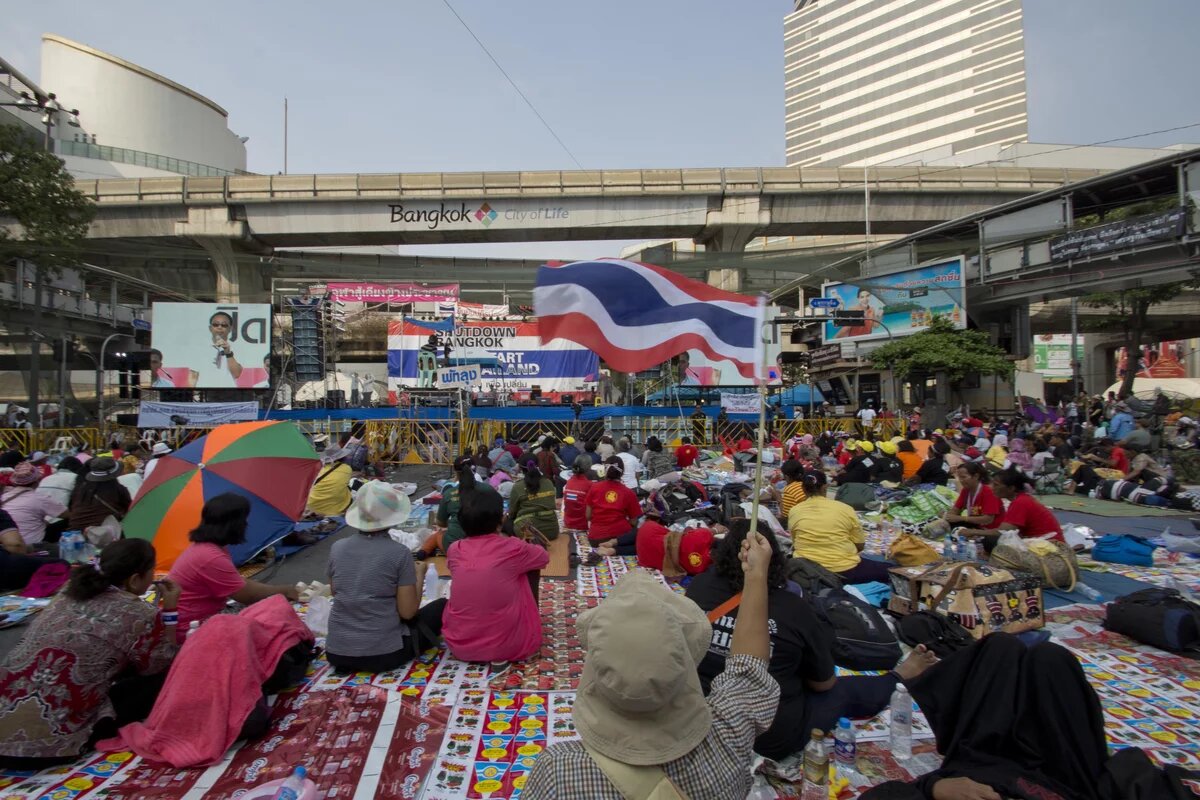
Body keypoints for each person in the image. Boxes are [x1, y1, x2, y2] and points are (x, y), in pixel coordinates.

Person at [523, 528, 780, 800]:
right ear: (685, 658)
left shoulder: (559, 772)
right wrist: (755, 576)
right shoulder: (728, 736)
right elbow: (749, 670)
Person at [687, 520, 937, 761]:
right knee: (842, 690)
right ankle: (899, 678)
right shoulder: (794, 608)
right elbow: (823, 684)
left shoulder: (697, 587)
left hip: (700, 717)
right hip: (768, 735)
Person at [861, 634, 1191, 800]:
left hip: (982, 763)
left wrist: (934, 788)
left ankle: (978, 710)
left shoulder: (966, 785)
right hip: (1071, 777)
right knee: (1048, 661)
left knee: (1000, 652)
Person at [0, 539, 180, 769]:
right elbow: (162, 662)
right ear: (135, 579)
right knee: (164, 676)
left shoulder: (68, 591)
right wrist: (170, 609)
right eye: (151, 570)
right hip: (52, 747)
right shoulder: (139, 612)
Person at [326, 482, 444, 673]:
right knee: (442, 607)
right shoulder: (398, 553)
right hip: (384, 654)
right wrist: (418, 574)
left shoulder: (337, 548)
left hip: (337, 652)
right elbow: (408, 612)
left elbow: (335, 591)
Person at [168, 493, 299, 642]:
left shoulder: (207, 548)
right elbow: (248, 595)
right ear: (234, 524)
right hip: (192, 629)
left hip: (197, 619)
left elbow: (240, 583)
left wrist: (280, 590)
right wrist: (284, 591)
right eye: (244, 521)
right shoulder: (211, 557)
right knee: (273, 621)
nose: (246, 525)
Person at [443, 489, 548, 664]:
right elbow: (543, 557)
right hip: (510, 646)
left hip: (461, 646)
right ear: (501, 519)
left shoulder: (455, 549)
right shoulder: (513, 548)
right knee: (526, 568)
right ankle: (524, 625)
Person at [789, 471, 893, 583]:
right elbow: (860, 545)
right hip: (844, 570)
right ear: (825, 487)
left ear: (803, 489)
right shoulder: (845, 508)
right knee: (892, 569)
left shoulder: (795, 511)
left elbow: (796, 542)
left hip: (806, 570)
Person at [428, 455, 501, 558]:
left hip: (457, 547)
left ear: (456, 473)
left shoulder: (449, 494)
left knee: (437, 536)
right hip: (484, 546)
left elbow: (441, 522)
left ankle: (422, 553)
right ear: (475, 469)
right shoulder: (489, 490)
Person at [972, 469, 1064, 544]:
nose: (992, 487)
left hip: (1049, 544)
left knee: (991, 541)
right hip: (1043, 540)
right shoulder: (1023, 499)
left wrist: (973, 532)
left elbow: (1001, 532)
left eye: (996, 485)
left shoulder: (1020, 502)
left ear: (1011, 488)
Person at [584, 457, 642, 556]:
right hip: (620, 536)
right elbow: (633, 521)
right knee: (642, 539)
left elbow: (588, 516)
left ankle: (608, 548)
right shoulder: (629, 493)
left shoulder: (594, 488)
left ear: (605, 471)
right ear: (622, 472)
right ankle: (614, 550)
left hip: (595, 538)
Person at [1, 462, 67, 547]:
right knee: (66, 522)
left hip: (7, 542)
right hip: (32, 544)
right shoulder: (40, 498)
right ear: (37, 480)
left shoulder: (4, 496)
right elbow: (67, 514)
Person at [66, 457, 133, 531]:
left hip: (75, 531)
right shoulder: (118, 489)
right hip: (103, 533)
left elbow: (71, 508)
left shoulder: (80, 488)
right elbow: (129, 509)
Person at [506, 461, 560, 541]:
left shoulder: (518, 486)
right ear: (538, 466)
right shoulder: (548, 482)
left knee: (507, 524)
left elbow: (512, 513)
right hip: (552, 530)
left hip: (529, 532)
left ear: (521, 469)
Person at [944, 462, 1003, 530]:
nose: (961, 480)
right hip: (976, 525)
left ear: (976, 476)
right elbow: (956, 509)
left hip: (990, 529)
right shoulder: (966, 490)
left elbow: (988, 519)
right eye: (959, 477)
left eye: (963, 477)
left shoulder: (989, 492)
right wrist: (949, 516)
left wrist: (961, 518)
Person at [305, 448, 353, 517]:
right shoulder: (347, 468)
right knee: (347, 489)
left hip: (312, 506)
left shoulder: (317, 468)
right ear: (342, 457)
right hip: (336, 509)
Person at [562, 455, 594, 531]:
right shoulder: (589, 485)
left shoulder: (569, 482)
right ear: (589, 468)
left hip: (568, 522)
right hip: (582, 525)